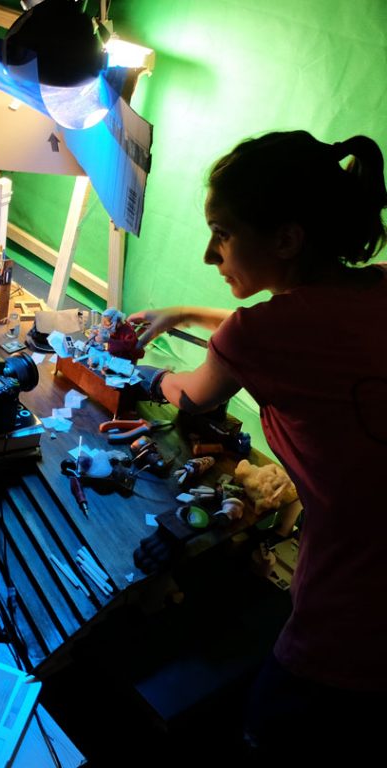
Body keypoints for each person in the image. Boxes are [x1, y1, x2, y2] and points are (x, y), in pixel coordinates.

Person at [129, 130, 387, 759]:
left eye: (221, 232)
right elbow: (295, 325)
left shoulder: (261, 336)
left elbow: (192, 395)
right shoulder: (376, 286)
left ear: (287, 239)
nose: (209, 253)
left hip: (352, 612)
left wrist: (144, 376)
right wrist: (186, 313)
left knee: (269, 728)